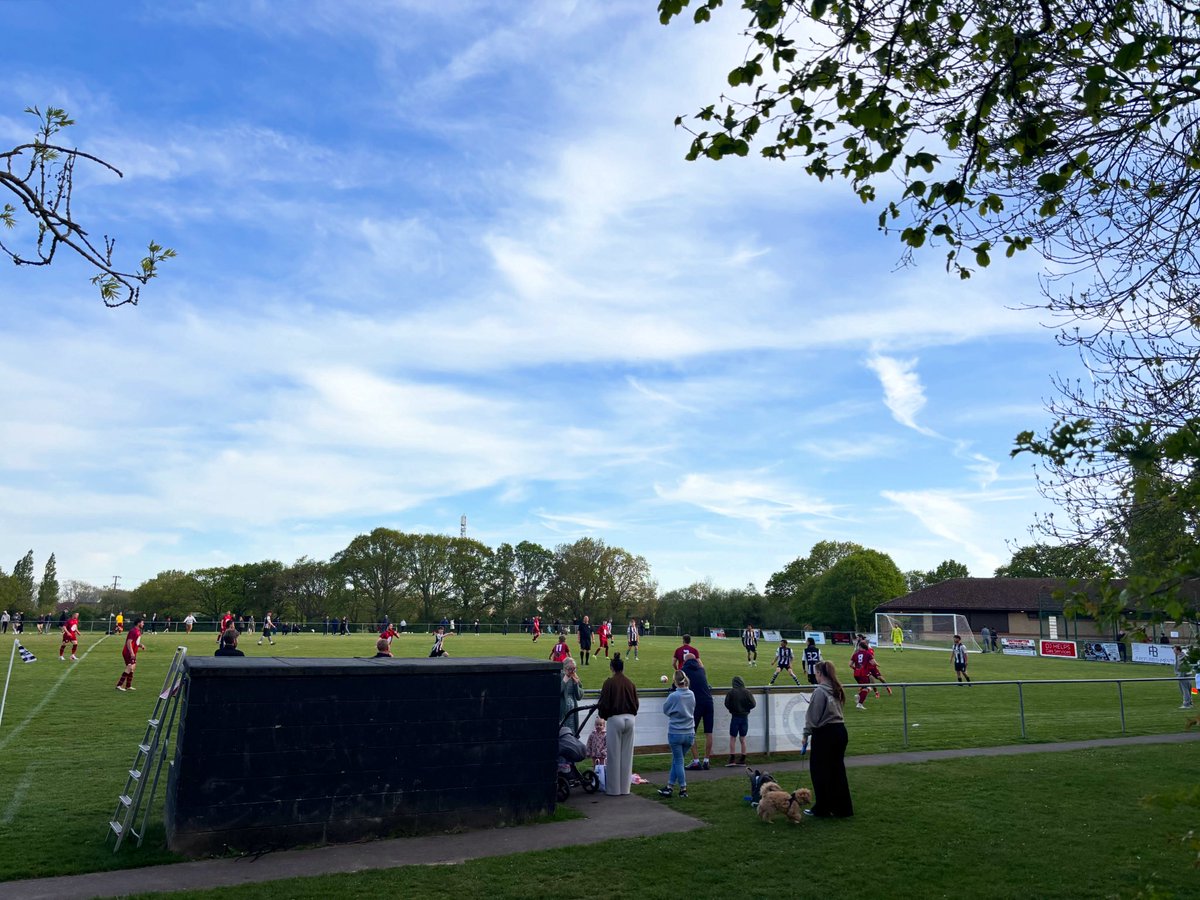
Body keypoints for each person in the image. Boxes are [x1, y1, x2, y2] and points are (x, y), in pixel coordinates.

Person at [800, 660, 853, 817]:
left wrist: (805, 734)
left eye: (816, 673)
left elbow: (813, 717)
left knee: (820, 772)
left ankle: (822, 808)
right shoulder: (836, 689)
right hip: (840, 731)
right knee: (837, 771)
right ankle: (843, 808)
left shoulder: (820, 691)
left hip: (825, 734)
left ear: (820, 674)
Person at [597, 653, 639, 796]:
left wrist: (603, 715)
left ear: (612, 668)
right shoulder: (630, 683)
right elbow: (636, 703)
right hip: (630, 718)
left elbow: (603, 703)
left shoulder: (609, 683)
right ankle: (625, 788)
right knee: (627, 755)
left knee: (614, 755)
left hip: (615, 719)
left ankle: (613, 790)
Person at [657, 668, 695, 799]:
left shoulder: (673, 696)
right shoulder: (691, 694)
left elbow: (666, 710)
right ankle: (669, 787)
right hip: (690, 732)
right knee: (677, 760)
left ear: (674, 681)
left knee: (678, 761)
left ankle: (683, 788)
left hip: (676, 732)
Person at [681, 654, 714, 769]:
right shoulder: (701, 669)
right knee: (709, 732)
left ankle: (696, 761)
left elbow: (679, 684)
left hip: (696, 703)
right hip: (709, 701)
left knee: (691, 732)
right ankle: (706, 760)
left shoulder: (684, 670)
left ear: (685, 661)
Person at [724, 674, 756, 766]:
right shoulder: (747, 692)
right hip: (744, 717)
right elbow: (753, 704)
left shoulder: (731, 692)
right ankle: (743, 758)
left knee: (732, 738)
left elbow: (726, 703)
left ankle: (732, 758)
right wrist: (747, 709)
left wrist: (732, 709)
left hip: (735, 717)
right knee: (743, 738)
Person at [115, 617, 145, 691]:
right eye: (142, 623)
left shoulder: (138, 631)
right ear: (138, 623)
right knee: (129, 667)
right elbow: (128, 642)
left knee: (132, 668)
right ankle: (119, 685)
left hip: (133, 652)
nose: (143, 624)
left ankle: (128, 686)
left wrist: (140, 645)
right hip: (128, 652)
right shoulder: (133, 631)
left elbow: (135, 642)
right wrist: (131, 653)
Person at [560, 658, 583, 732]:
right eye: (570, 669)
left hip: (572, 712)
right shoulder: (560, 676)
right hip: (562, 711)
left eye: (574, 669)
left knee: (572, 732)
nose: (572, 671)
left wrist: (576, 684)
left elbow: (579, 696)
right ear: (565, 668)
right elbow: (558, 691)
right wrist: (566, 678)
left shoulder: (575, 676)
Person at [850, 640, 873, 708]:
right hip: (863, 674)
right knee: (867, 688)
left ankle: (859, 696)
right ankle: (859, 704)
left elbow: (850, 664)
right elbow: (873, 663)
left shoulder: (855, 654)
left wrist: (856, 669)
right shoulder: (868, 654)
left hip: (856, 674)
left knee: (865, 687)